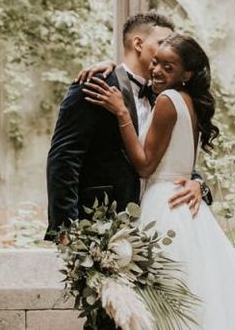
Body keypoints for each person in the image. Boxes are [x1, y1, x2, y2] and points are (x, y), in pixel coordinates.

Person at [83, 33, 235, 329]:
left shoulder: (166, 100)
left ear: (186, 74)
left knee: (163, 307)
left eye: (169, 67)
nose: (157, 71)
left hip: (163, 205)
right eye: (156, 62)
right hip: (184, 206)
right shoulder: (189, 100)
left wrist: (121, 112)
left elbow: (146, 165)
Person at [44, 13, 211, 243]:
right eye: (162, 42)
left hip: (155, 224)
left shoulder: (166, 97)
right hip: (102, 225)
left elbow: (167, 157)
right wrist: (65, 230)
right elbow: (64, 157)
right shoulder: (97, 84)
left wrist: (197, 184)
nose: (169, 48)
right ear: (139, 44)